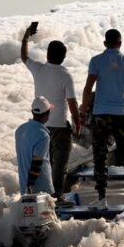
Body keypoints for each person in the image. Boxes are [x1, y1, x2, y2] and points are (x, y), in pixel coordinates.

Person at [80, 29, 124, 208]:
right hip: (122, 114)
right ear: (120, 43)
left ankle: (101, 198)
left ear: (105, 43)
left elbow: (87, 88)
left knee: (100, 156)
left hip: (101, 114)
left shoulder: (96, 61)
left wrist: (83, 110)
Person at [21, 24, 80, 197]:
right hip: (60, 128)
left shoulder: (38, 69)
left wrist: (26, 37)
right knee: (59, 166)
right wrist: (77, 123)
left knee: (43, 164)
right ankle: (58, 198)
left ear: (47, 55)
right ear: (64, 57)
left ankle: (42, 196)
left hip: (40, 126)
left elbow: (24, 56)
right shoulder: (65, 75)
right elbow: (72, 103)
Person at [15, 97, 55, 196]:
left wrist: (27, 186)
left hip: (24, 185)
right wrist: (31, 186)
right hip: (41, 187)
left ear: (32, 112)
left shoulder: (20, 130)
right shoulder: (43, 135)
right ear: (47, 115)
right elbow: (37, 163)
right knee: (45, 212)